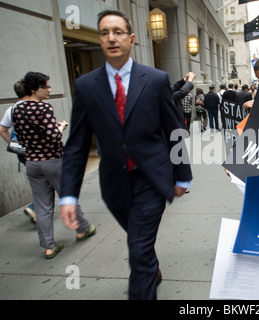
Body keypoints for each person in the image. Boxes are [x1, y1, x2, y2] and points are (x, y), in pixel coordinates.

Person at [59, 10, 192, 300]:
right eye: (105, 32)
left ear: (131, 39)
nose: (111, 38)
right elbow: (78, 144)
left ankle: (144, 273)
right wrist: (68, 195)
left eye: (118, 32)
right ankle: (150, 266)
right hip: (114, 185)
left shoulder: (156, 80)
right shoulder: (86, 86)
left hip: (152, 179)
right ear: (100, 39)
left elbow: (175, 131)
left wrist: (183, 176)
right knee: (139, 243)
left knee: (138, 249)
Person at [12, 72, 95, 260]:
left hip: (32, 162)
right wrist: (61, 126)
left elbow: (22, 138)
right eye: (46, 87)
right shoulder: (43, 108)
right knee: (68, 196)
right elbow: (53, 136)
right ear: (34, 89)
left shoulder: (17, 109)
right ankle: (82, 229)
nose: (49, 90)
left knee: (42, 206)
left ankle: (49, 246)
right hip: (52, 160)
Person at [1, 81, 36, 224]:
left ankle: (39, 208)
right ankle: (35, 207)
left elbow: (2, 130)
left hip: (22, 151)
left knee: (37, 179)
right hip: (39, 151)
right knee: (46, 180)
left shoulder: (12, 109)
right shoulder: (35, 107)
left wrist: (14, 144)